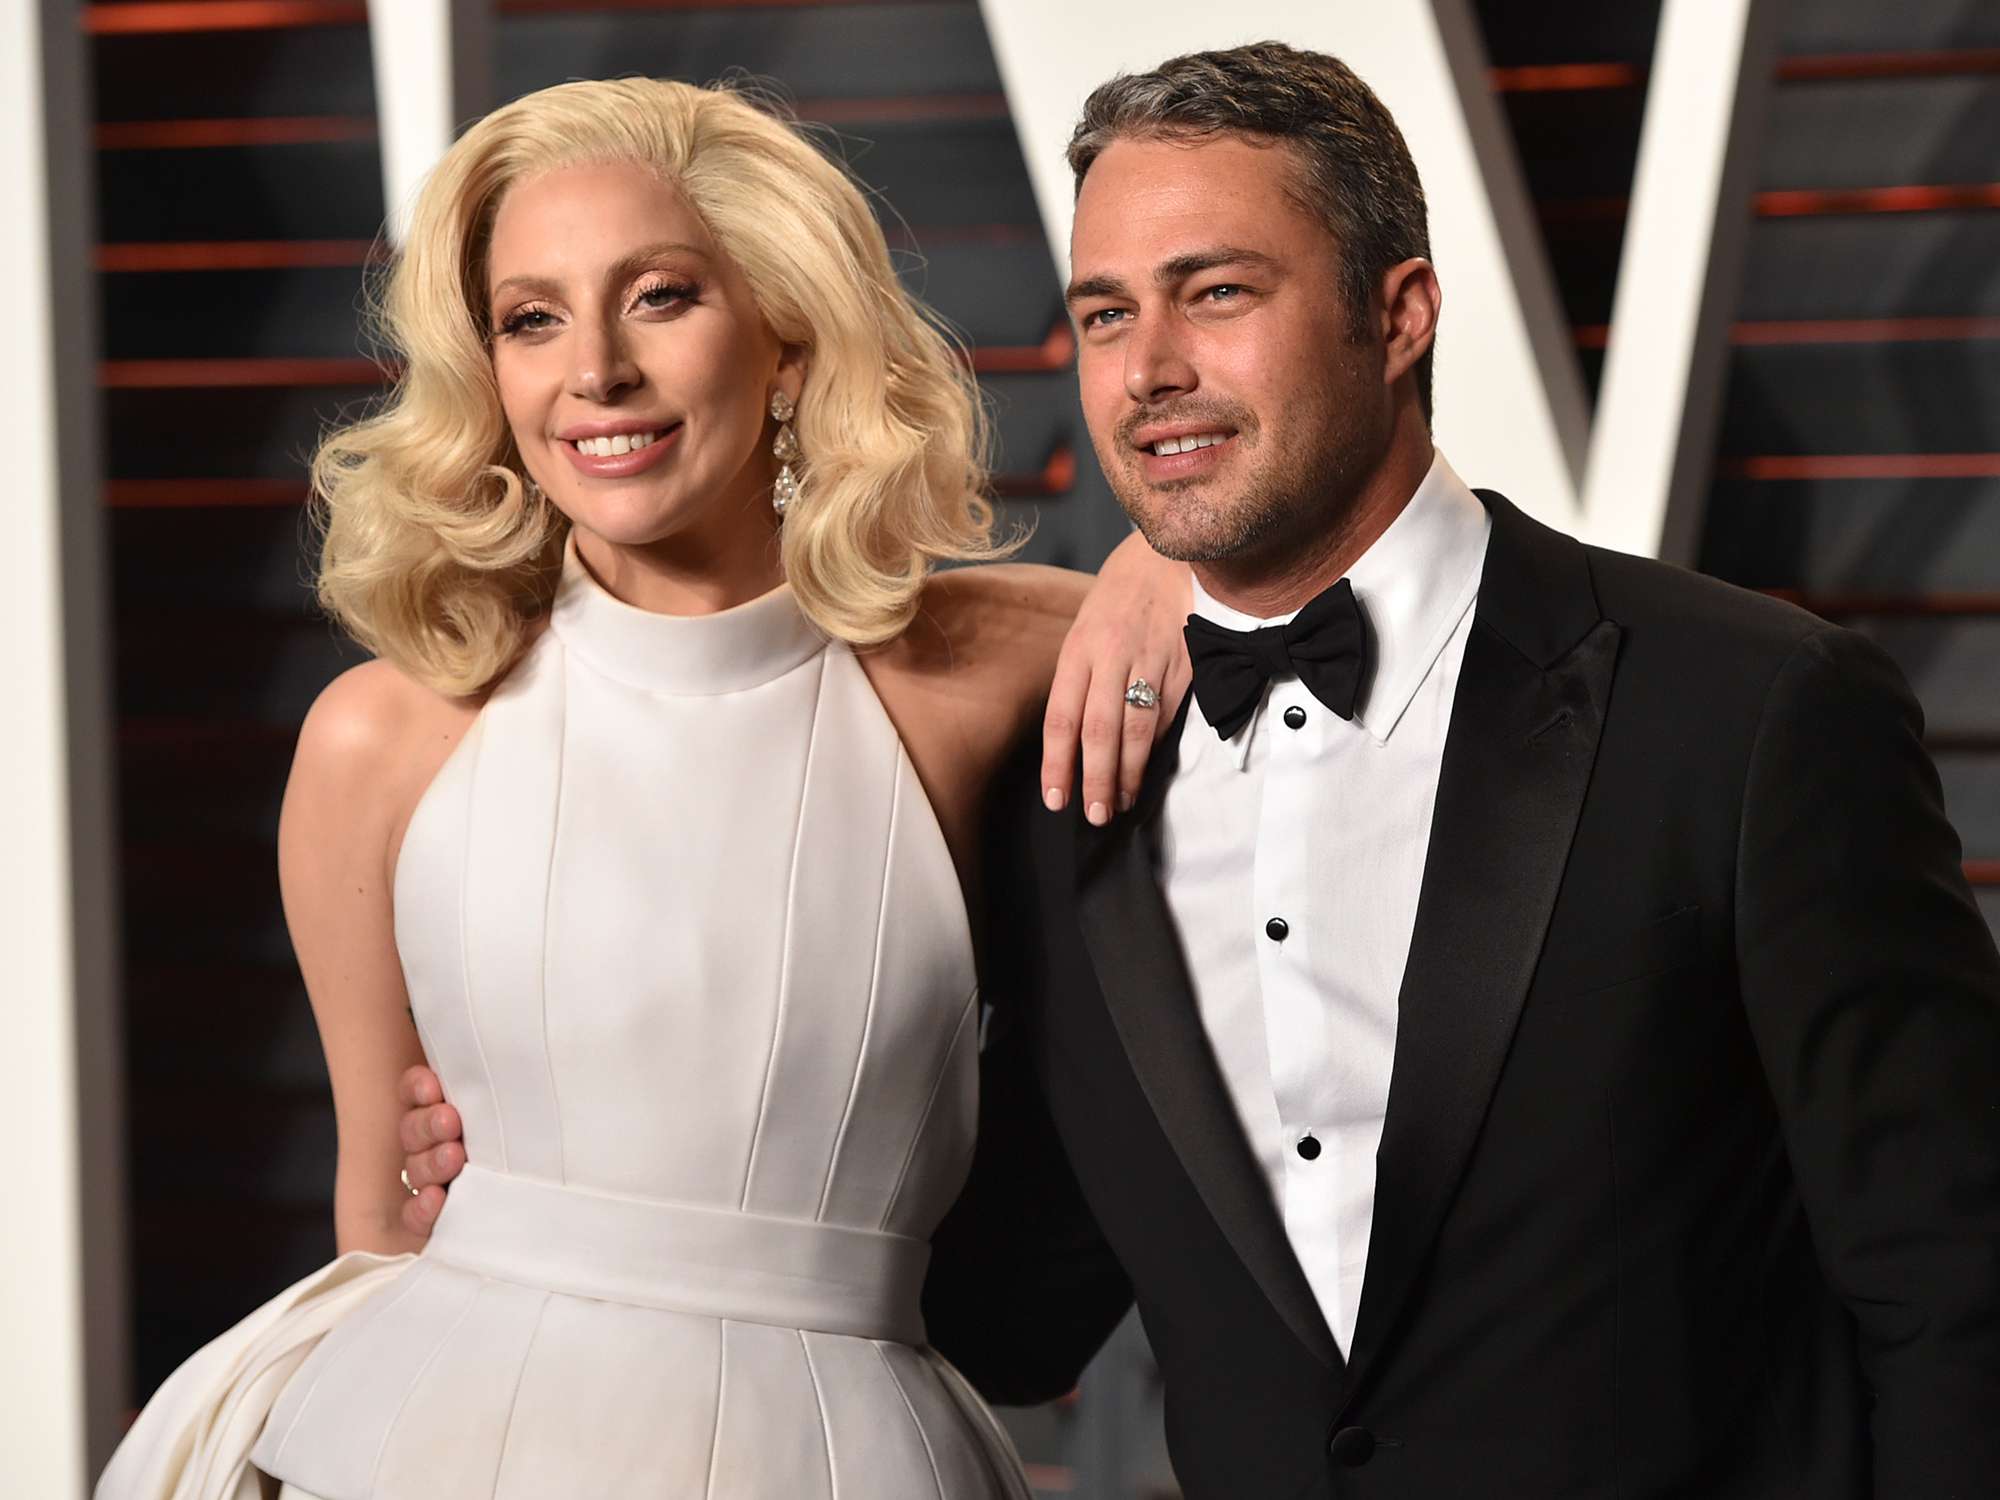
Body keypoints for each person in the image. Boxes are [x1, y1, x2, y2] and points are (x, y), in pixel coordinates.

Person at [391, 39, 2000, 1500]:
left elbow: (1952, 1281)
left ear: (1402, 310)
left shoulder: (1751, 709)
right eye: (1105, 314)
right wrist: (603, 1153)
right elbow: (1011, 1302)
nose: (1148, 365)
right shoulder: (1060, 768)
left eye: (1215, 293)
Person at [96, 75, 1191, 1500]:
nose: (593, 371)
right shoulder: (380, 740)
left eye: (660, 296)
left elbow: (1293, 573)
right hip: (432, 1438)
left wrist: (1168, 557)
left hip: (850, 1444)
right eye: (531, 319)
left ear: (786, 338)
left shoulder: (972, 675)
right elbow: (383, 1212)